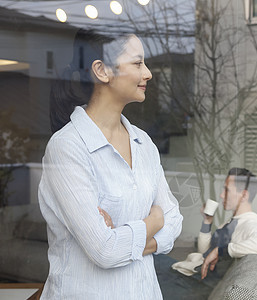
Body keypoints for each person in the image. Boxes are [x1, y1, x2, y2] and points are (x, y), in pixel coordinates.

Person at [38, 29, 183, 299]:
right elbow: (104, 250)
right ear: (102, 71)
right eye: (138, 63)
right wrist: (153, 221)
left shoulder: (143, 143)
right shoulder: (68, 146)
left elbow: (174, 222)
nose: (148, 73)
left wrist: (126, 237)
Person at [199, 168, 257, 279]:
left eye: (227, 190)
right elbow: (204, 252)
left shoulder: (250, 223)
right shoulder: (234, 220)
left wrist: (220, 251)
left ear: (244, 196)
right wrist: (207, 222)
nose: (222, 195)